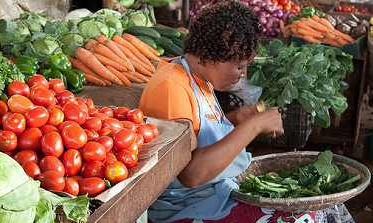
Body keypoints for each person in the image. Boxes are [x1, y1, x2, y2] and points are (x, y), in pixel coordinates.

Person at [138, 1, 354, 223]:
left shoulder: (198, 78)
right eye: (240, 66)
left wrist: (235, 119)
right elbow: (190, 175)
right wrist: (252, 126)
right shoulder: (172, 88)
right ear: (213, 57)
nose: (243, 74)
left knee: (328, 204)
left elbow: (197, 133)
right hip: (183, 207)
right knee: (302, 217)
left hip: (210, 193)